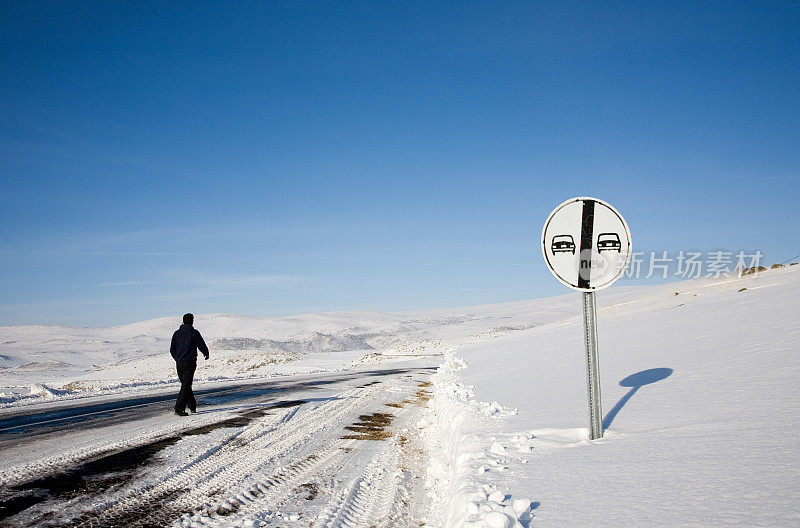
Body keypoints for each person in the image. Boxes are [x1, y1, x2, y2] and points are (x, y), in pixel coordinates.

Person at [170, 313, 209, 416]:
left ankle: (192, 406)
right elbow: (201, 344)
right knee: (186, 385)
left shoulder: (176, 333)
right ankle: (179, 409)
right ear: (192, 321)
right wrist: (206, 353)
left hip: (179, 363)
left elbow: (172, 349)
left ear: (183, 321)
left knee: (185, 385)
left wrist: (177, 358)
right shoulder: (194, 333)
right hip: (190, 362)